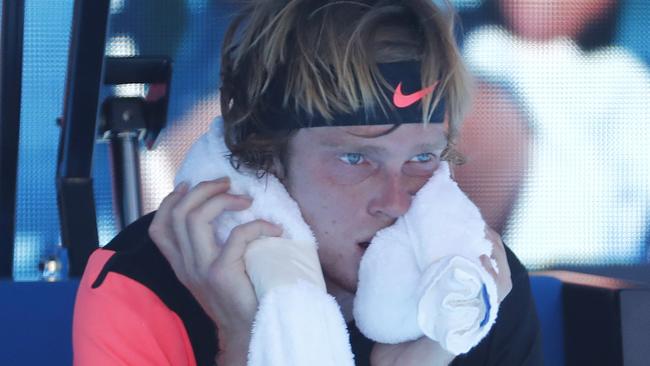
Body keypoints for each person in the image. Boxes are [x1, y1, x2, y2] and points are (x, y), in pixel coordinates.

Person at [73, 1, 542, 365]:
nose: (397, 203)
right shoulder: (143, 287)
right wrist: (241, 341)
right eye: (356, 158)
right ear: (265, 160)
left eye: (422, 158)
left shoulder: (472, 288)